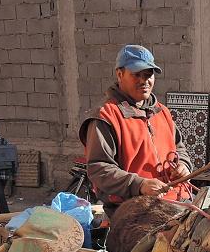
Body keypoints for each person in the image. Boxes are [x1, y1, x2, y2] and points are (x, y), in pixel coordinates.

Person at [79, 44, 193, 216]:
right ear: (120, 74)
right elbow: (99, 168)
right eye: (136, 75)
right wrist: (139, 184)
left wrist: (183, 165)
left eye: (148, 75)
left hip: (177, 201)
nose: (144, 80)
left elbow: (179, 148)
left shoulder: (162, 112)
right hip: (134, 210)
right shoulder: (106, 116)